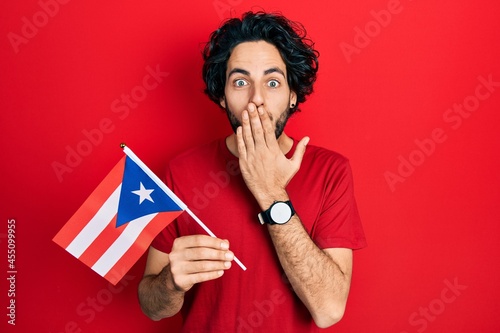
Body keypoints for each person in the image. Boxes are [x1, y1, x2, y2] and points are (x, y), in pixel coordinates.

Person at [138, 11, 366, 332]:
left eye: (272, 82)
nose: (256, 99)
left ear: (292, 96)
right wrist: (170, 284)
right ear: (221, 96)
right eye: (240, 82)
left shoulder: (331, 171)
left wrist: (272, 194)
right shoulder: (181, 170)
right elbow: (151, 307)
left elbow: (328, 310)